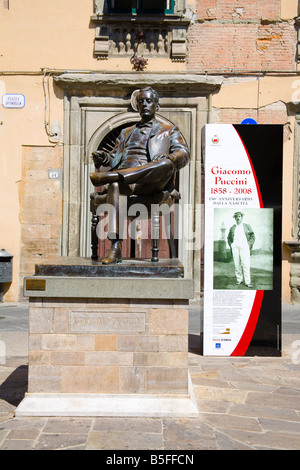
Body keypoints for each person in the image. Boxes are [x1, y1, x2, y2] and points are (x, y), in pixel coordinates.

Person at [89, 86, 190, 264]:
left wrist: (170, 157)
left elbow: (184, 154)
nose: (144, 104)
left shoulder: (169, 131)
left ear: (156, 106)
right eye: (141, 101)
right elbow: (113, 158)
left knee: (166, 164)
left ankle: (118, 176)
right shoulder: (125, 133)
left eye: (149, 101)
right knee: (114, 185)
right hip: (127, 185)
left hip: (152, 182)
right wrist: (104, 157)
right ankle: (115, 247)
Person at [227, 212, 255, 288]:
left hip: (244, 246)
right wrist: (231, 245)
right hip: (235, 247)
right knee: (237, 264)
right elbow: (229, 238)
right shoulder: (232, 227)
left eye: (239, 216)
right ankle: (239, 280)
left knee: (245, 264)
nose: (238, 218)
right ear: (235, 218)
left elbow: (252, 236)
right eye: (236, 217)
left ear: (242, 217)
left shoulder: (247, 226)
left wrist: (248, 244)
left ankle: (248, 282)